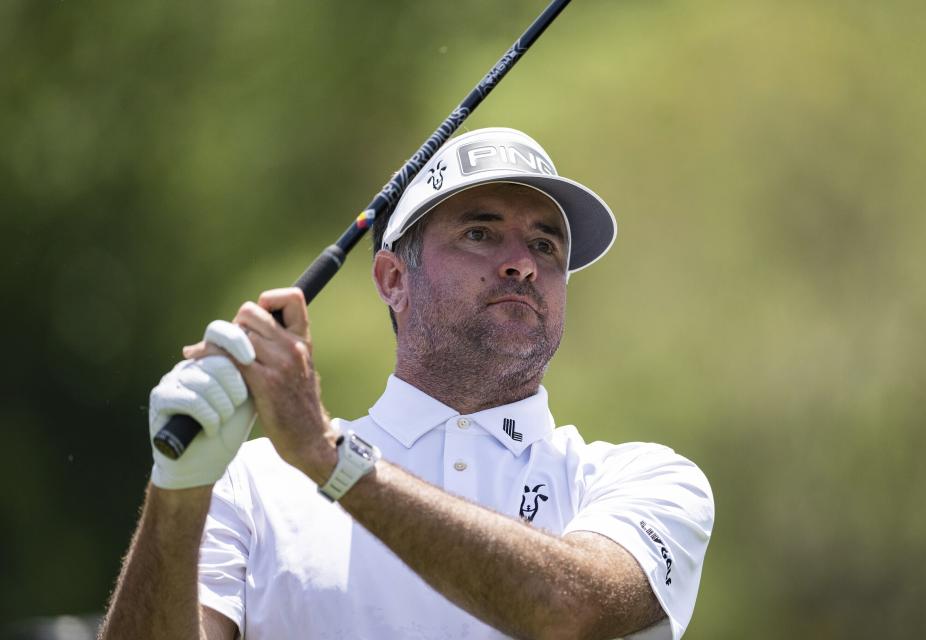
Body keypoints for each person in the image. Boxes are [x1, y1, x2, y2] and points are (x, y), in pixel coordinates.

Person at [99, 127, 714, 640]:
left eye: (545, 245)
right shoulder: (254, 483)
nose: (522, 262)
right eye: (480, 232)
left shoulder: (645, 479)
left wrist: (327, 457)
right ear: (393, 279)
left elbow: (567, 610)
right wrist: (177, 492)